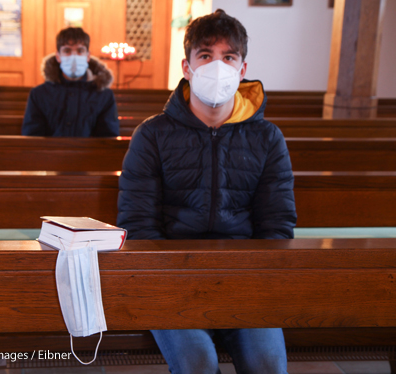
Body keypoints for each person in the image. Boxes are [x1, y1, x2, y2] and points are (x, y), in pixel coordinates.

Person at [117, 9, 296, 374]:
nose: (218, 67)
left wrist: (251, 278)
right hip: (170, 278)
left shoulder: (267, 138)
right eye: (206, 56)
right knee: (198, 363)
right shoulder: (152, 135)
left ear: (242, 69)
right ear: (187, 68)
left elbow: (276, 225)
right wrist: (171, 279)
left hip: (243, 278)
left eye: (228, 57)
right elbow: (138, 223)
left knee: (268, 365)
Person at [22, 27, 119, 137]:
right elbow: (32, 136)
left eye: (80, 51)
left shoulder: (104, 95)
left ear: (88, 56)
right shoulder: (39, 94)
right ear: (58, 56)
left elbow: (108, 137)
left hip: (89, 154)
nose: (74, 56)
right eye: (67, 51)